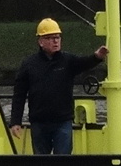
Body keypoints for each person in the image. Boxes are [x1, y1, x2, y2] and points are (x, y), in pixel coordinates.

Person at [8, 18, 107, 155]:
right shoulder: (29, 64)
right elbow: (19, 94)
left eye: (57, 37)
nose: (55, 41)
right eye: (50, 38)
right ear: (40, 41)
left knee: (63, 159)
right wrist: (15, 122)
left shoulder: (68, 61)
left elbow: (84, 63)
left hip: (62, 121)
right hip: (39, 122)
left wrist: (97, 57)